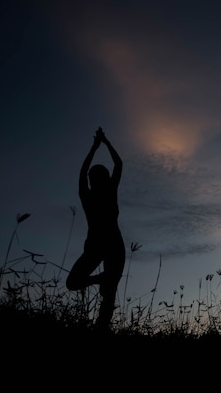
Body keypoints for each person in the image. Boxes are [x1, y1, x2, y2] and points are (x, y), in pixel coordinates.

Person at [66, 127, 125, 331]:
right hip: (101, 246)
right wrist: (102, 144)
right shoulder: (92, 195)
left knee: (108, 295)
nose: (93, 180)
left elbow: (117, 165)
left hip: (110, 246)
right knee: (74, 282)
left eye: (95, 177)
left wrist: (98, 146)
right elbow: (116, 164)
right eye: (93, 177)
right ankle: (101, 279)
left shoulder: (102, 193)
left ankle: (102, 329)